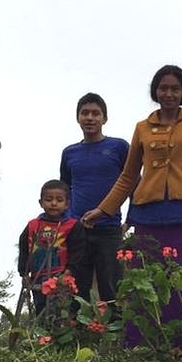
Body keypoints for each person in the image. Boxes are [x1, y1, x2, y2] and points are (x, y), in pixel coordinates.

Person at [81, 65, 182, 345]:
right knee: (146, 281)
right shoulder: (142, 128)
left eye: (175, 89)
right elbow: (128, 175)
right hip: (148, 214)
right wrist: (104, 209)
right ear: (155, 91)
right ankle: (144, 346)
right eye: (163, 88)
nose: (169, 93)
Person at [59, 93, 129, 307]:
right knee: (77, 289)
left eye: (95, 113)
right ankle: (78, 336)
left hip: (109, 229)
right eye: (85, 113)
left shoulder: (119, 147)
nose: (90, 118)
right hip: (78, 231)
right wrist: (66, 223)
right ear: (77, 118)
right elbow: (65, 190)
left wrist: (131, 218)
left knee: (112, 288)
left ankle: (115, 337)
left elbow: (134, 182)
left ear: (104, 119)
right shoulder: (70, 153)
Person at [17, 179, 86, 315]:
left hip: (61, 278)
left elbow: (78, 251)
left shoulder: (72, 226)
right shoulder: (32, 225)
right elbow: (24, 249)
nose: (54, 203)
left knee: (61, 312)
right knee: (41, 312)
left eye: (59, 200)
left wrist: (69, 271)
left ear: (67, 204)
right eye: (49, 199)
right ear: (41, 202)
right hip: (37, 278)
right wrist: (23, 272)